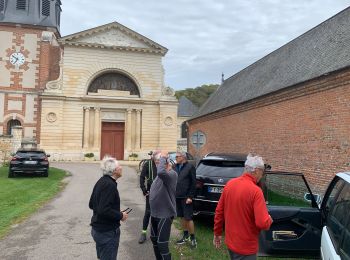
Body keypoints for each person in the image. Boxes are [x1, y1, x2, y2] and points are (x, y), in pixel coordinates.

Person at [213, 154, 273, 260]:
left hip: (231, 243)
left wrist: (217, 233)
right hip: (246, 247)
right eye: (262, 172)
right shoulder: (256, 191)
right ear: (257, 171)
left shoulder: (230, 184)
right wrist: (268, 219)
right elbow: (262, 223)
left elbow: (219, 211)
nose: (261, 176)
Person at [89, 156, 128, 260]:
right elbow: (103, 209)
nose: (121, 167)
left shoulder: (101, 181)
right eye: (119, 166)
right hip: (106, 232)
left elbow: (92, 204)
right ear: (114, 170)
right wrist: (120, 215)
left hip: (99, 230)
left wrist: (115, 212)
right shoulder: (109, 185)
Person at [149, 150, 178, 260]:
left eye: (159, 162)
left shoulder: (171, 175)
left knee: (162, 243)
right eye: (156, 162)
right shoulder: (159, 176)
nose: (157, 165)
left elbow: (161, 172)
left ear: (166, 162)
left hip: (165, 215)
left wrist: (163, 157)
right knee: (154, 239)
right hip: (154, 214)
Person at [174, 151, 197, 248]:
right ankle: (185, 236)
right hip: (177, 197)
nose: (176, 158)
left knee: (188, 218)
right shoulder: (175, 166)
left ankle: (193, 239)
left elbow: (193, 183)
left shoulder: (190, 167)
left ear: (183, 157)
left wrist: (190, 197)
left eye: (177, 156)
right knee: (182, 217)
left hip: (186, 197)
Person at [138, 151, 159, 244]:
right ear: (154, 158)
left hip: (161, 193)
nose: (159, 161)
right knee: (148, 212)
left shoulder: (163, 164)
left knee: (159, 213)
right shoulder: (148, 164)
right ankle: (143, 233)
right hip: (150, 192)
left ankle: (157, 233)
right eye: (157, 159)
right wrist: (143, 189)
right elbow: (142, 177)